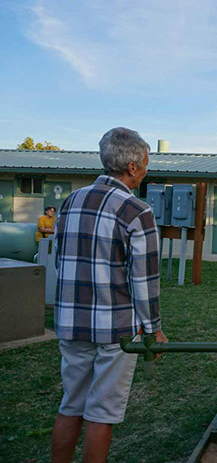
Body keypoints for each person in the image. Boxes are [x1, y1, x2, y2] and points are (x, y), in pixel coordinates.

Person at [51, 128, 168, 463]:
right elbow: (144, 281)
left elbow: (61, 259)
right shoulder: (137, 211)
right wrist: (153, 329)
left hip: (71, 323)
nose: (147, 169)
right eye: (145, 163)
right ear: (132, 168)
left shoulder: (70, 201)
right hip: (116, 329)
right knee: (101, 412)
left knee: (71, 403)